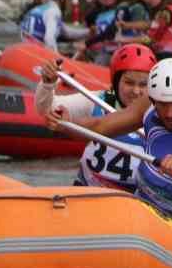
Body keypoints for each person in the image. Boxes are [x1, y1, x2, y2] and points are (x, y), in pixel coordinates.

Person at [43, 57, 172, 237]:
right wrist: (68, 124)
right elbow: (101, 127)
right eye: (163, 104)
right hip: (142, 205)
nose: (170, 113)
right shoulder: (149, 104)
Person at [35, 43, 156, 192]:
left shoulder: (159, 114)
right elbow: (45, 109)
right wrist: (48, 83)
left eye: (143, 85)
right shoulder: (98, 100)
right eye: (129, 82)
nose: (136, 91)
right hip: (87, 194)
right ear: (116, 81)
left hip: (132, 203)